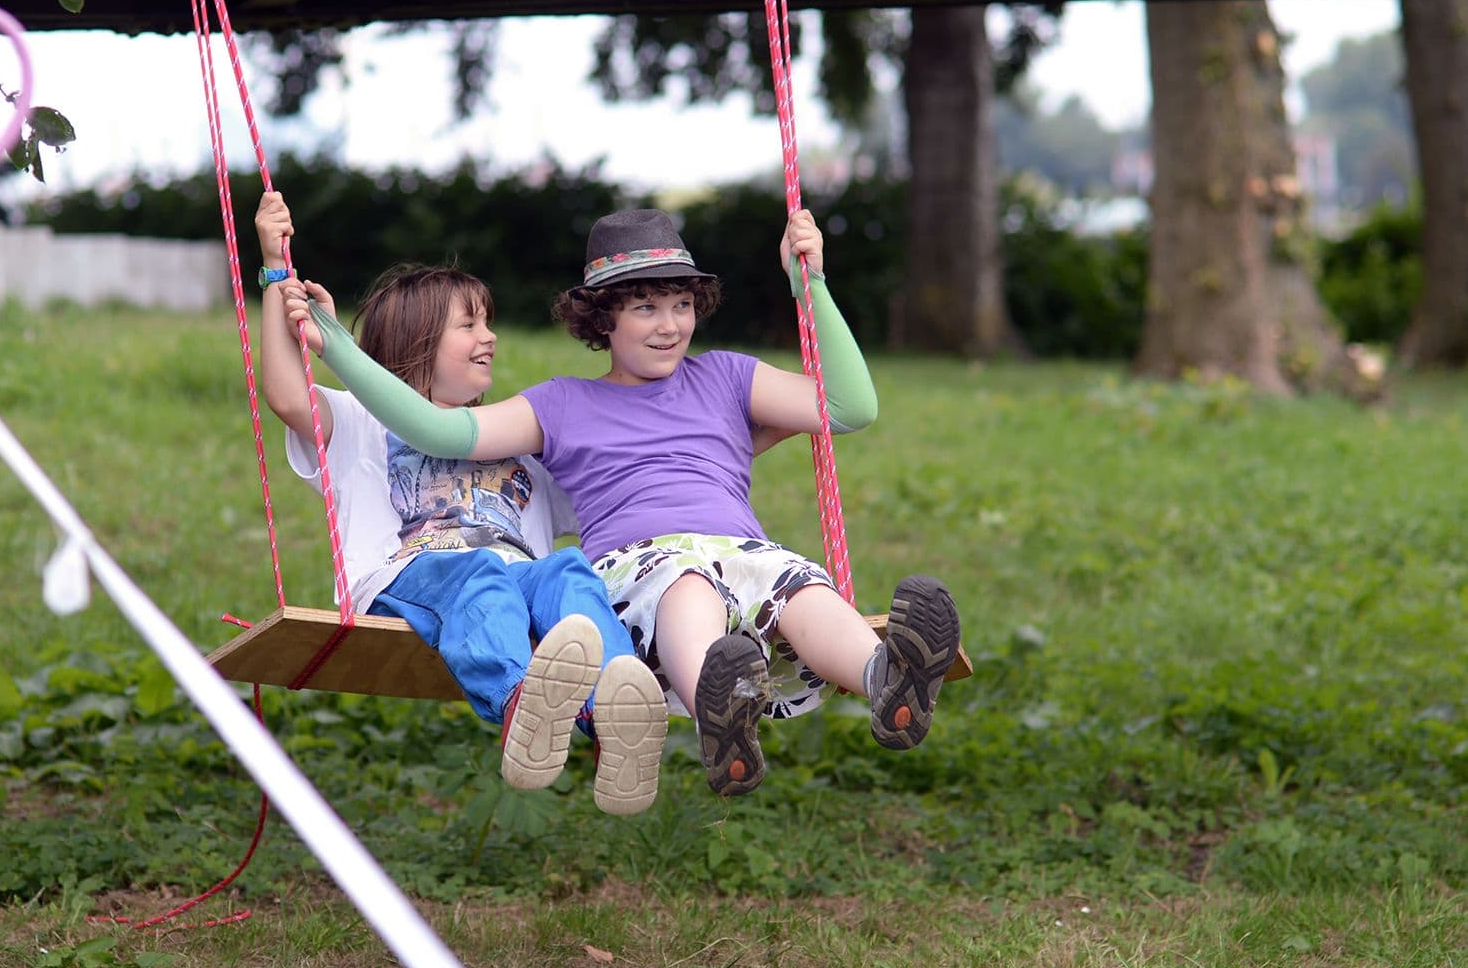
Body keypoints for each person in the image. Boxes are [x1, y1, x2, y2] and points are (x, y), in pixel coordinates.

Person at [286, 204, 963, 797]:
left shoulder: (727, 378)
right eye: (645, 307)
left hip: (743, 547)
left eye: (681, 305)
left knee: (798, 586)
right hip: (641, 565)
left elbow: (847, 407)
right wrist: (338, 347)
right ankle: (716, 712)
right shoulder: (560, 405)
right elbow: (437, 429)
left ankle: (886, 680)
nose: (669, 325)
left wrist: (808, 285)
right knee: (684, 583)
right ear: (601, 319)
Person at [254, 192, 668, 816]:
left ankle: (611, 713)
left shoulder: (516, 437)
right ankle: (519, 705)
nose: (490, 337)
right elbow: (287, 395)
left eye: (488, 322)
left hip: (513, 574)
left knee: (566, 571)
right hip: (411, 578)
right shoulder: (361, 420)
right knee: (479, 575)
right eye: (469, 324)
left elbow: (617, 482)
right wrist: (275, 271)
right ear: (416, 341)